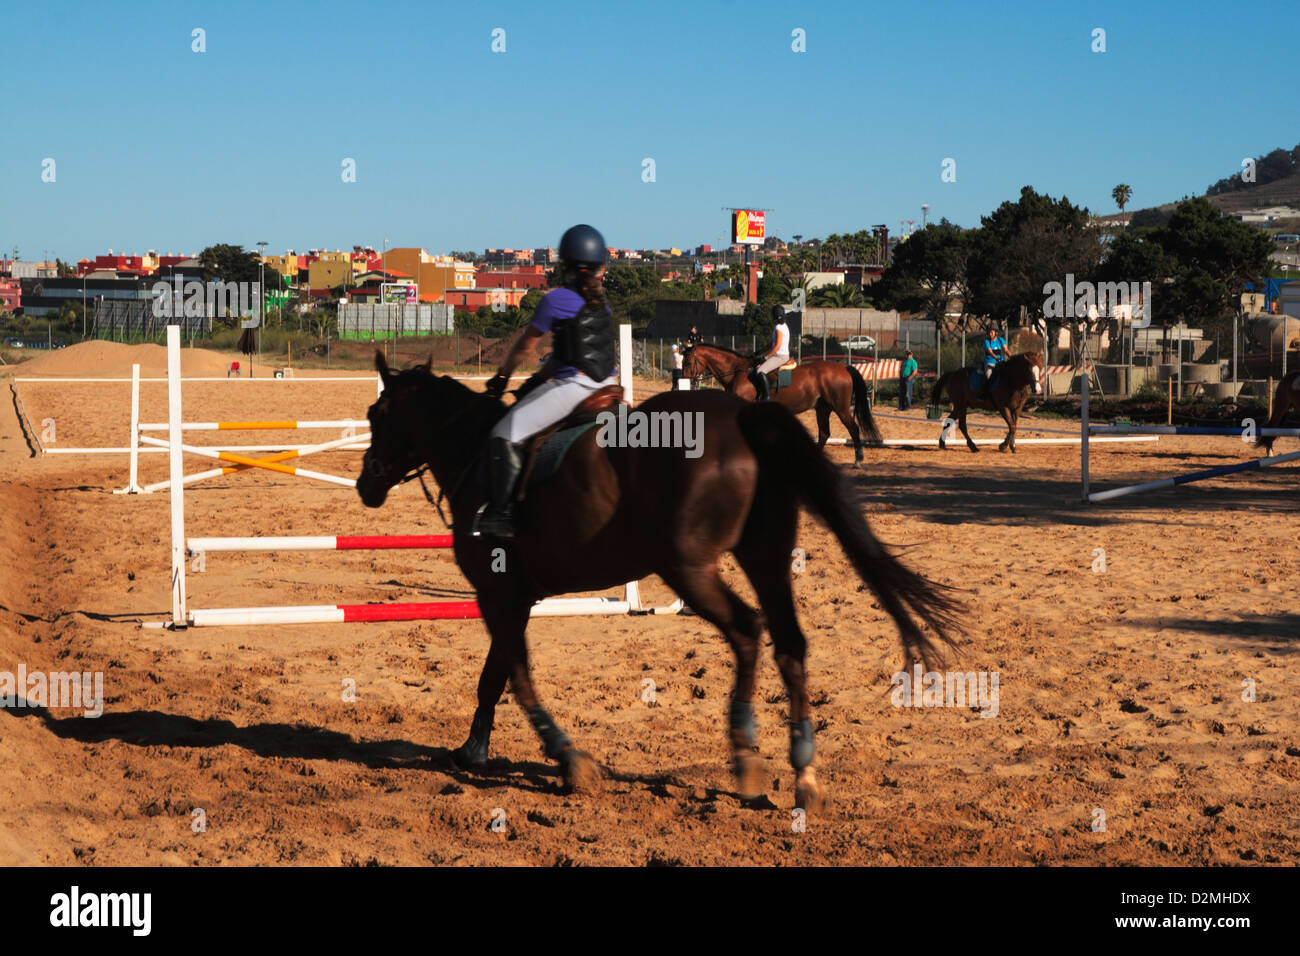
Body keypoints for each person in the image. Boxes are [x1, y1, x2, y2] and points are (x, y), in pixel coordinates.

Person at [473, 224, 618, 539]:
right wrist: (538, 380)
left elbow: (527, 346)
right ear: (599, 267)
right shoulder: (603, 306)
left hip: (576, 389)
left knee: (504, 433)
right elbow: (566, 356)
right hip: (610, 389)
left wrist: (502, 377)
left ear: (563, 263)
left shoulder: (556, 299)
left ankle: (502, 515)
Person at [752, 305, 791, 401]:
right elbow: (771, 344)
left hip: (780, 357)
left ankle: (767, 397)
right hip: (779, 355)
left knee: (760, 371)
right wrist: (759, 352)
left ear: (775, 316)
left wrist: (766, 357)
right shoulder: (783, 325)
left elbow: (777, 346)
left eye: (772, 314)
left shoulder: (778, 328)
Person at [980, 327, 1008, 399]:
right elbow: (990, 352)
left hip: (1000, 361)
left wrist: (1013, 357)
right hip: (989, 362)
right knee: (988, 374)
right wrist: (997, 358)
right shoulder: (987, 341)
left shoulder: (1000, 340)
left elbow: (1006, 350)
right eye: (989, 332)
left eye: (992, 332)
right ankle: (984, 393)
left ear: (996, 333)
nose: (990, 334)